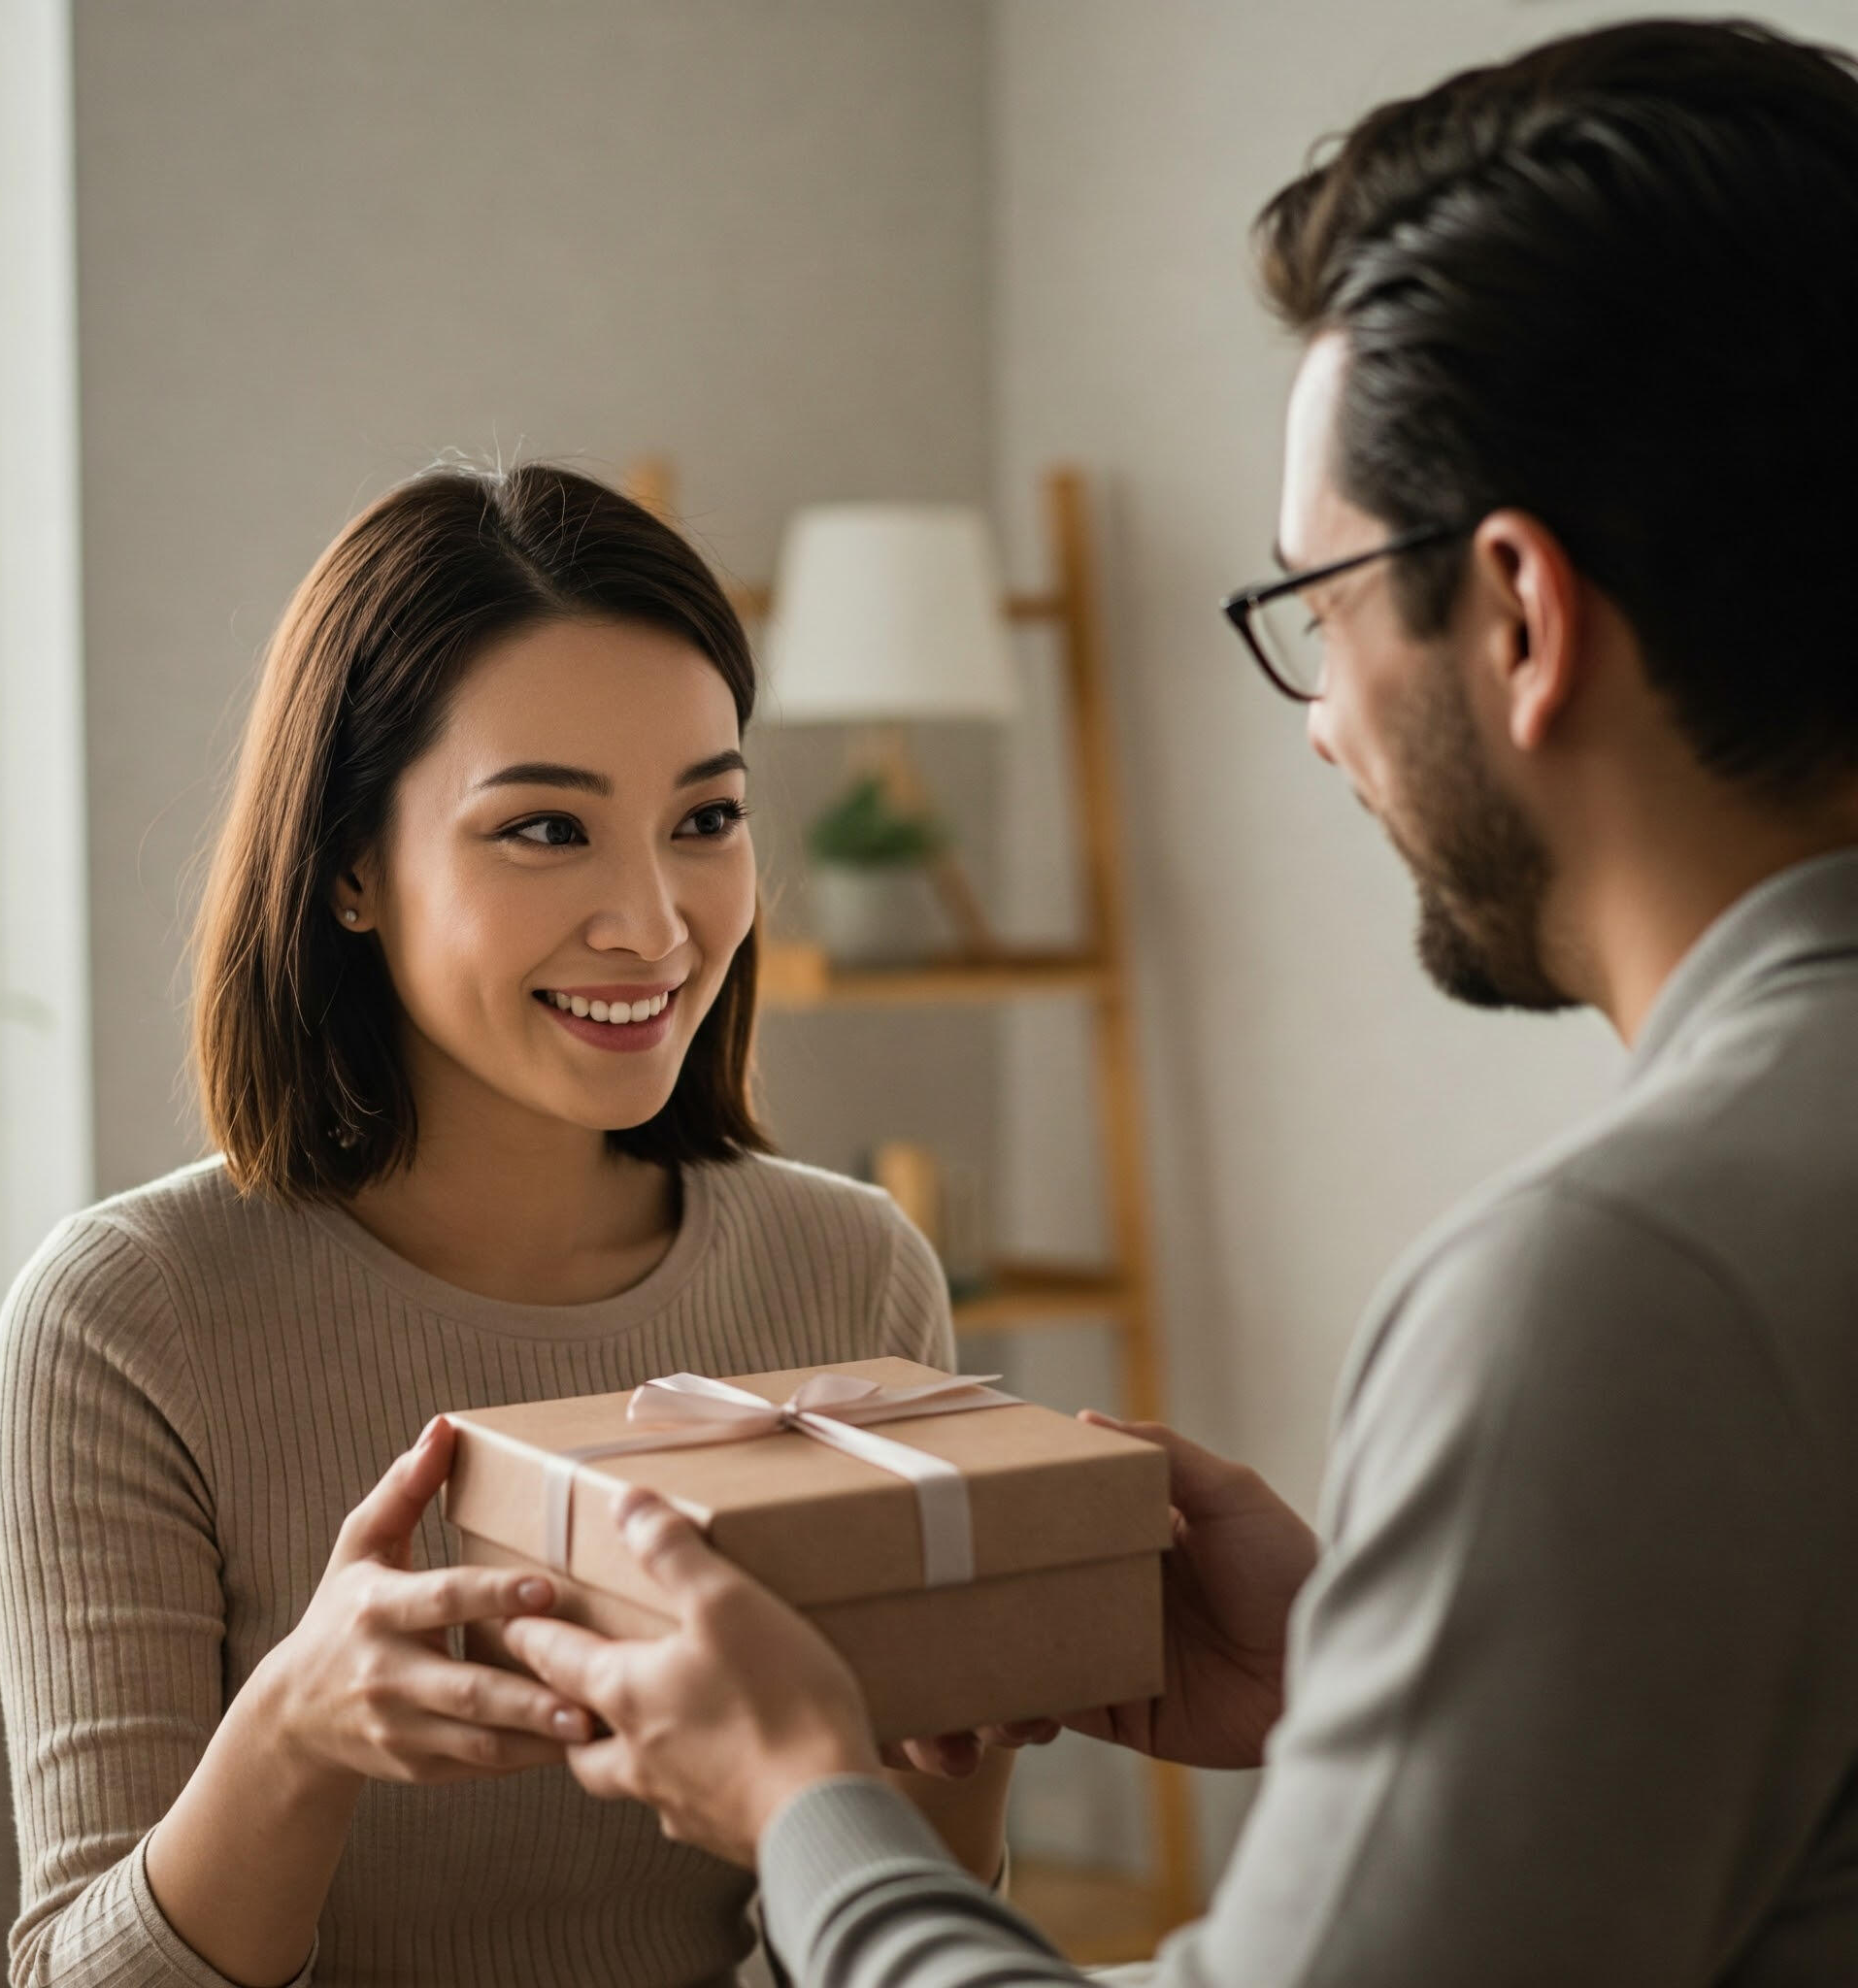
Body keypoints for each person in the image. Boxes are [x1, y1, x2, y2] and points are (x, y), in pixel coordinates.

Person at [500, 20, 1858, 1986]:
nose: (1319, 723)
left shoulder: (1623, 1288)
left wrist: (804, 1800)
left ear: (1516, 615)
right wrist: (1374, 1689)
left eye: (1317, 610)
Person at [0, 462, 1012, 1988]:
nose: (655, 923)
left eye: (707, 816)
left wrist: (972, 1719)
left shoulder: (852, 1271)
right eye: (545, 831)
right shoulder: (131, 1318)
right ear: (346, 870)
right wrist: (295, 1730)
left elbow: (869, 1937)